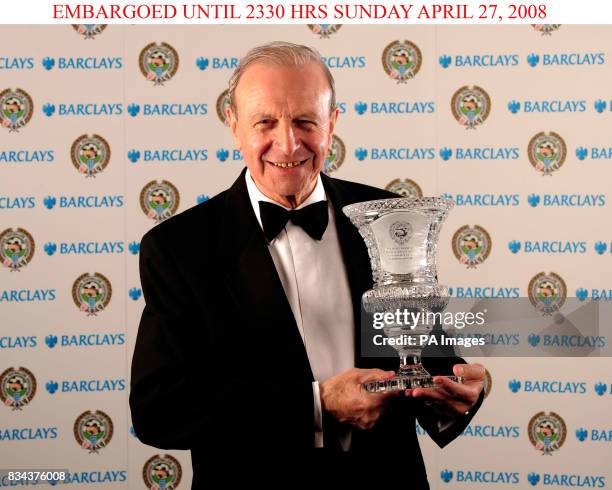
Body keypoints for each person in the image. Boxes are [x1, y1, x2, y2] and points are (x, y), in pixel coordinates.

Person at [129, 41, 485, 486]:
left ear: (332, 123)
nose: (288, 142)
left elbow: (425, 359)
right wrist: (318, 404)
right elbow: (160, 410)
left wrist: (456, 393)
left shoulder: (391, 216)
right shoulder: (179, 247)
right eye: (265, 122)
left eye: (305, 121)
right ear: (234, 125)